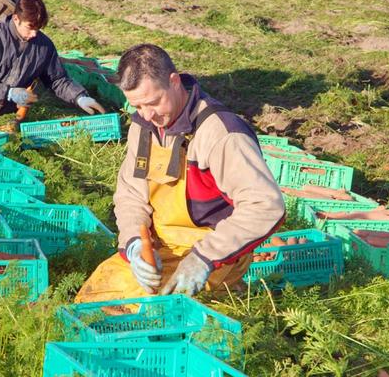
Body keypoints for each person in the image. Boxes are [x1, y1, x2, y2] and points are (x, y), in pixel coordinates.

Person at [75, 44, 285, 303]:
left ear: (174, 82)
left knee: (155, 310)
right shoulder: (143, 126)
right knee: (97, 295)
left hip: (215, 252)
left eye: (153, 102)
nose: (147, 115)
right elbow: (131, 194)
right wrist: (135, 244)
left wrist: (204, 257)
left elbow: (266, 205)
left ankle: (230, 291)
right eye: (137, 106)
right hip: (163, 247)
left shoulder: (220, 133)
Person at [0, 0, 105, 121]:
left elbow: (57, 80)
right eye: (30, 27)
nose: (34, 34)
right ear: (16, 18)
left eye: (38, 28)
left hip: (2, 116)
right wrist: (9, 92)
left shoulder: (44, 46)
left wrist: (79, 97)